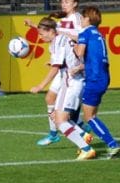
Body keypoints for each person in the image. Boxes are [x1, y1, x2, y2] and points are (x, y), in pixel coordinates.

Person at [28, 17, 95, 160]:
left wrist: (40, 85)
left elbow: (56, 67)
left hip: (70, 83)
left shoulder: (58, 41)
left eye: (42, 33)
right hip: (77, 82)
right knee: (57, 116)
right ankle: (84, 136)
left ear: (51, 31)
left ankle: (86, 148)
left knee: (59, 121)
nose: (40, 37)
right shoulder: (64, 38)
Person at [24, 0, 83, 146]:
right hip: (64, 66)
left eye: (67, 2)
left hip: (74, 69)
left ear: (75, 3)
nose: (63, 4)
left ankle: (80, 130)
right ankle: (55, 133)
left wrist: (66, 38)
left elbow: (81, 37)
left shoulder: (77, 19)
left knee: (65, 108)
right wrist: (34, 26)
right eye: (62, 2)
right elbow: (50, 31)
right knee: (50, 98)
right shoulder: (63, 20)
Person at [73, 6, 119, 158]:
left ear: (88, 19)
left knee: (89, 117)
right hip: (103, 77)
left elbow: (79, 52)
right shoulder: (98, 34)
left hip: (94, 79)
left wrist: (73, 46)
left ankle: (112, 144)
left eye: (82, 17)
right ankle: (85, 141)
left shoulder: (85, 33)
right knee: (91, 115)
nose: (80, 20)